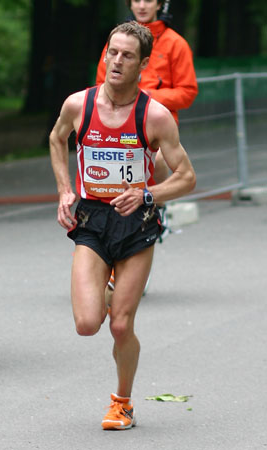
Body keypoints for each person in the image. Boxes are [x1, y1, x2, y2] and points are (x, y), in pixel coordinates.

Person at [49, 21, 196, 431]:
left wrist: (147, 193)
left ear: (143, 64)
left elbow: (187, 177)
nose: (116, 61)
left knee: (120, 325)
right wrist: (65, 190)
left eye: (127, 55)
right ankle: (110, 289)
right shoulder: (79, 105)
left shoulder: (156, 116)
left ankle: (122, 403)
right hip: (93, 219)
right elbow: (57, 137)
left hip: (136, 223)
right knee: (86, 324)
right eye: (111, 52)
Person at [97, 0, 198, 293]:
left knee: (159, 161)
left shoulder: (175, 43)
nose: (142, 5)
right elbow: (100, 84)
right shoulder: (117, 40)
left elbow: (188, 92)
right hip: (116, 126)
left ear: (160, 4)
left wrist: (146, 97)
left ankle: (155, 209)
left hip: (154, 129)